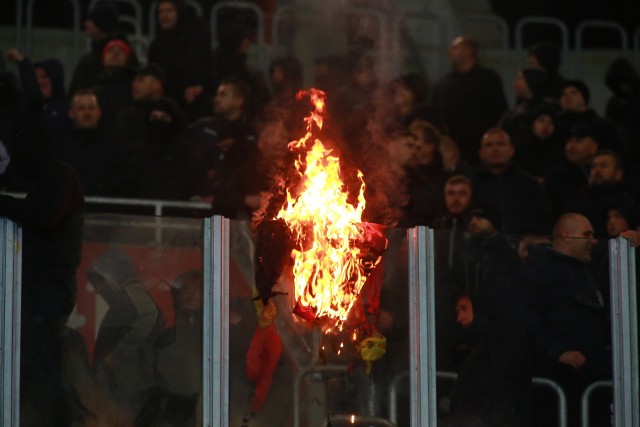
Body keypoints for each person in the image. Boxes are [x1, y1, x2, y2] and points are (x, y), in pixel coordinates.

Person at [0, 114, 85, 426]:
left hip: (49, 287)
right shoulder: (42, 177)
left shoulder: (57, 175)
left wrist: (3, 203)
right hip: (38, 286)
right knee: (34, 362)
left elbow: (44, 215)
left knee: (45, 364)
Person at [508, 213, 611, 427]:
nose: (593, 240)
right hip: (555, 390)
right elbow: (522, 317)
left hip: (584, 386)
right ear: (566, 236)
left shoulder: (582, 273)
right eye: (587, 234)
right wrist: (557, 352)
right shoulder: (538, 271)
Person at [86, 246, 165, 426]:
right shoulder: (125, 302)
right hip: (124, 386)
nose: (97, 290)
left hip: (130, 387)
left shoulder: (132, 292)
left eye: (100, 282)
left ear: (112, 277)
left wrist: (118, 353)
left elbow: (149, 315)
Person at [445, 293, 532, 427]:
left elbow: (501, 387)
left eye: (464, 309)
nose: (460, 317)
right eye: (457, 312)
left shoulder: (498, 338)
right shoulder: (476, 341)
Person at [189, 78, 264, 219]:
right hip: (202, 208)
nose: (216, 99)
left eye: (223, 95)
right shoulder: (202, 128)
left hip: (237, 214)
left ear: (239, 100)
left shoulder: (253, 134)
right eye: (217, 94)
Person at [432, 36, 508, 165]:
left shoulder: (487, 79)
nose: (450, 51)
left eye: (455, 47)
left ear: (469, 51)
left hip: (480, 150)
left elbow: (499, 110)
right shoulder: (444, 83)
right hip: (453, 149)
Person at [472, 128, 552, 234]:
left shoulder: (531, 185)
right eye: (489, 145)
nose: (495, 149)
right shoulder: (470, 184)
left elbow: (544, 223)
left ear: (511, 150)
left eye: (500, 144)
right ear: (481, 153)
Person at [147, 0, 215, 122]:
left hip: (193, 97)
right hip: (167, 98)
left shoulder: (192, 38)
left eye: (169, 11)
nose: (164, 16)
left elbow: (205, 65)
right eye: (160, 12)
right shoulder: (156, 45)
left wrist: (198, 86)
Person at [57, 88, 120, 197]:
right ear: (71, 113)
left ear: (99, 112)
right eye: (81, 108)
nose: (87, 113)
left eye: (91, 108)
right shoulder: (59, 146)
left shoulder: (115, 146)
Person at [565, 149, 635, 238]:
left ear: (618, 173)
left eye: (604, 166)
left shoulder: (630, 205)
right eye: (594, 166)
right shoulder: (576, 206)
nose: (597, 170)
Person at [69, 2, 135, 95]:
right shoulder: (88, 61)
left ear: (101, 24)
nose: (86, 24)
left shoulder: (89, 63)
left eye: (91, 20)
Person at [5, 49, 71, 135]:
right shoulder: (27, 109)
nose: (39, 81)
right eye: (36, 77)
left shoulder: (69, 111)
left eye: (44, 76)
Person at [555, 79, 626, 155]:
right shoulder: (555, 126)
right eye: (563, 94)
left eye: (574, 93)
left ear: (584, 98)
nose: (567, 97)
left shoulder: (603, 126)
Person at [544, 124, 600, 218]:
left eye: (578, 141)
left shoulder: (605, 171)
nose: (571, 147)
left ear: (594, 146)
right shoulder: (557, 177)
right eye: (569, 142)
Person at [114, 63, 167, 151]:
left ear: (157, 85)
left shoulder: (173, 115)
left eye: (141, 80)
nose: (134, 84)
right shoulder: (125, 118)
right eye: (134, 81)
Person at [512, 105, 563, 182]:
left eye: (551, 122)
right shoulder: (520, 149)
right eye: (541, 121)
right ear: (532, 124)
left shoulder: (559, 150)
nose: (546, 126)